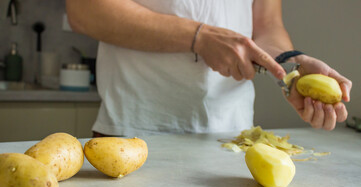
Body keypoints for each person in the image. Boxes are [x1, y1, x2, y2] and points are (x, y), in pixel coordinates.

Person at [66, 0, 352, 137]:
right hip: (130, 131)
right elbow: (84, 10)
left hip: (233, 136)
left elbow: (267, 25)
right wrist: (199, 37)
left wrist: (289, 62)